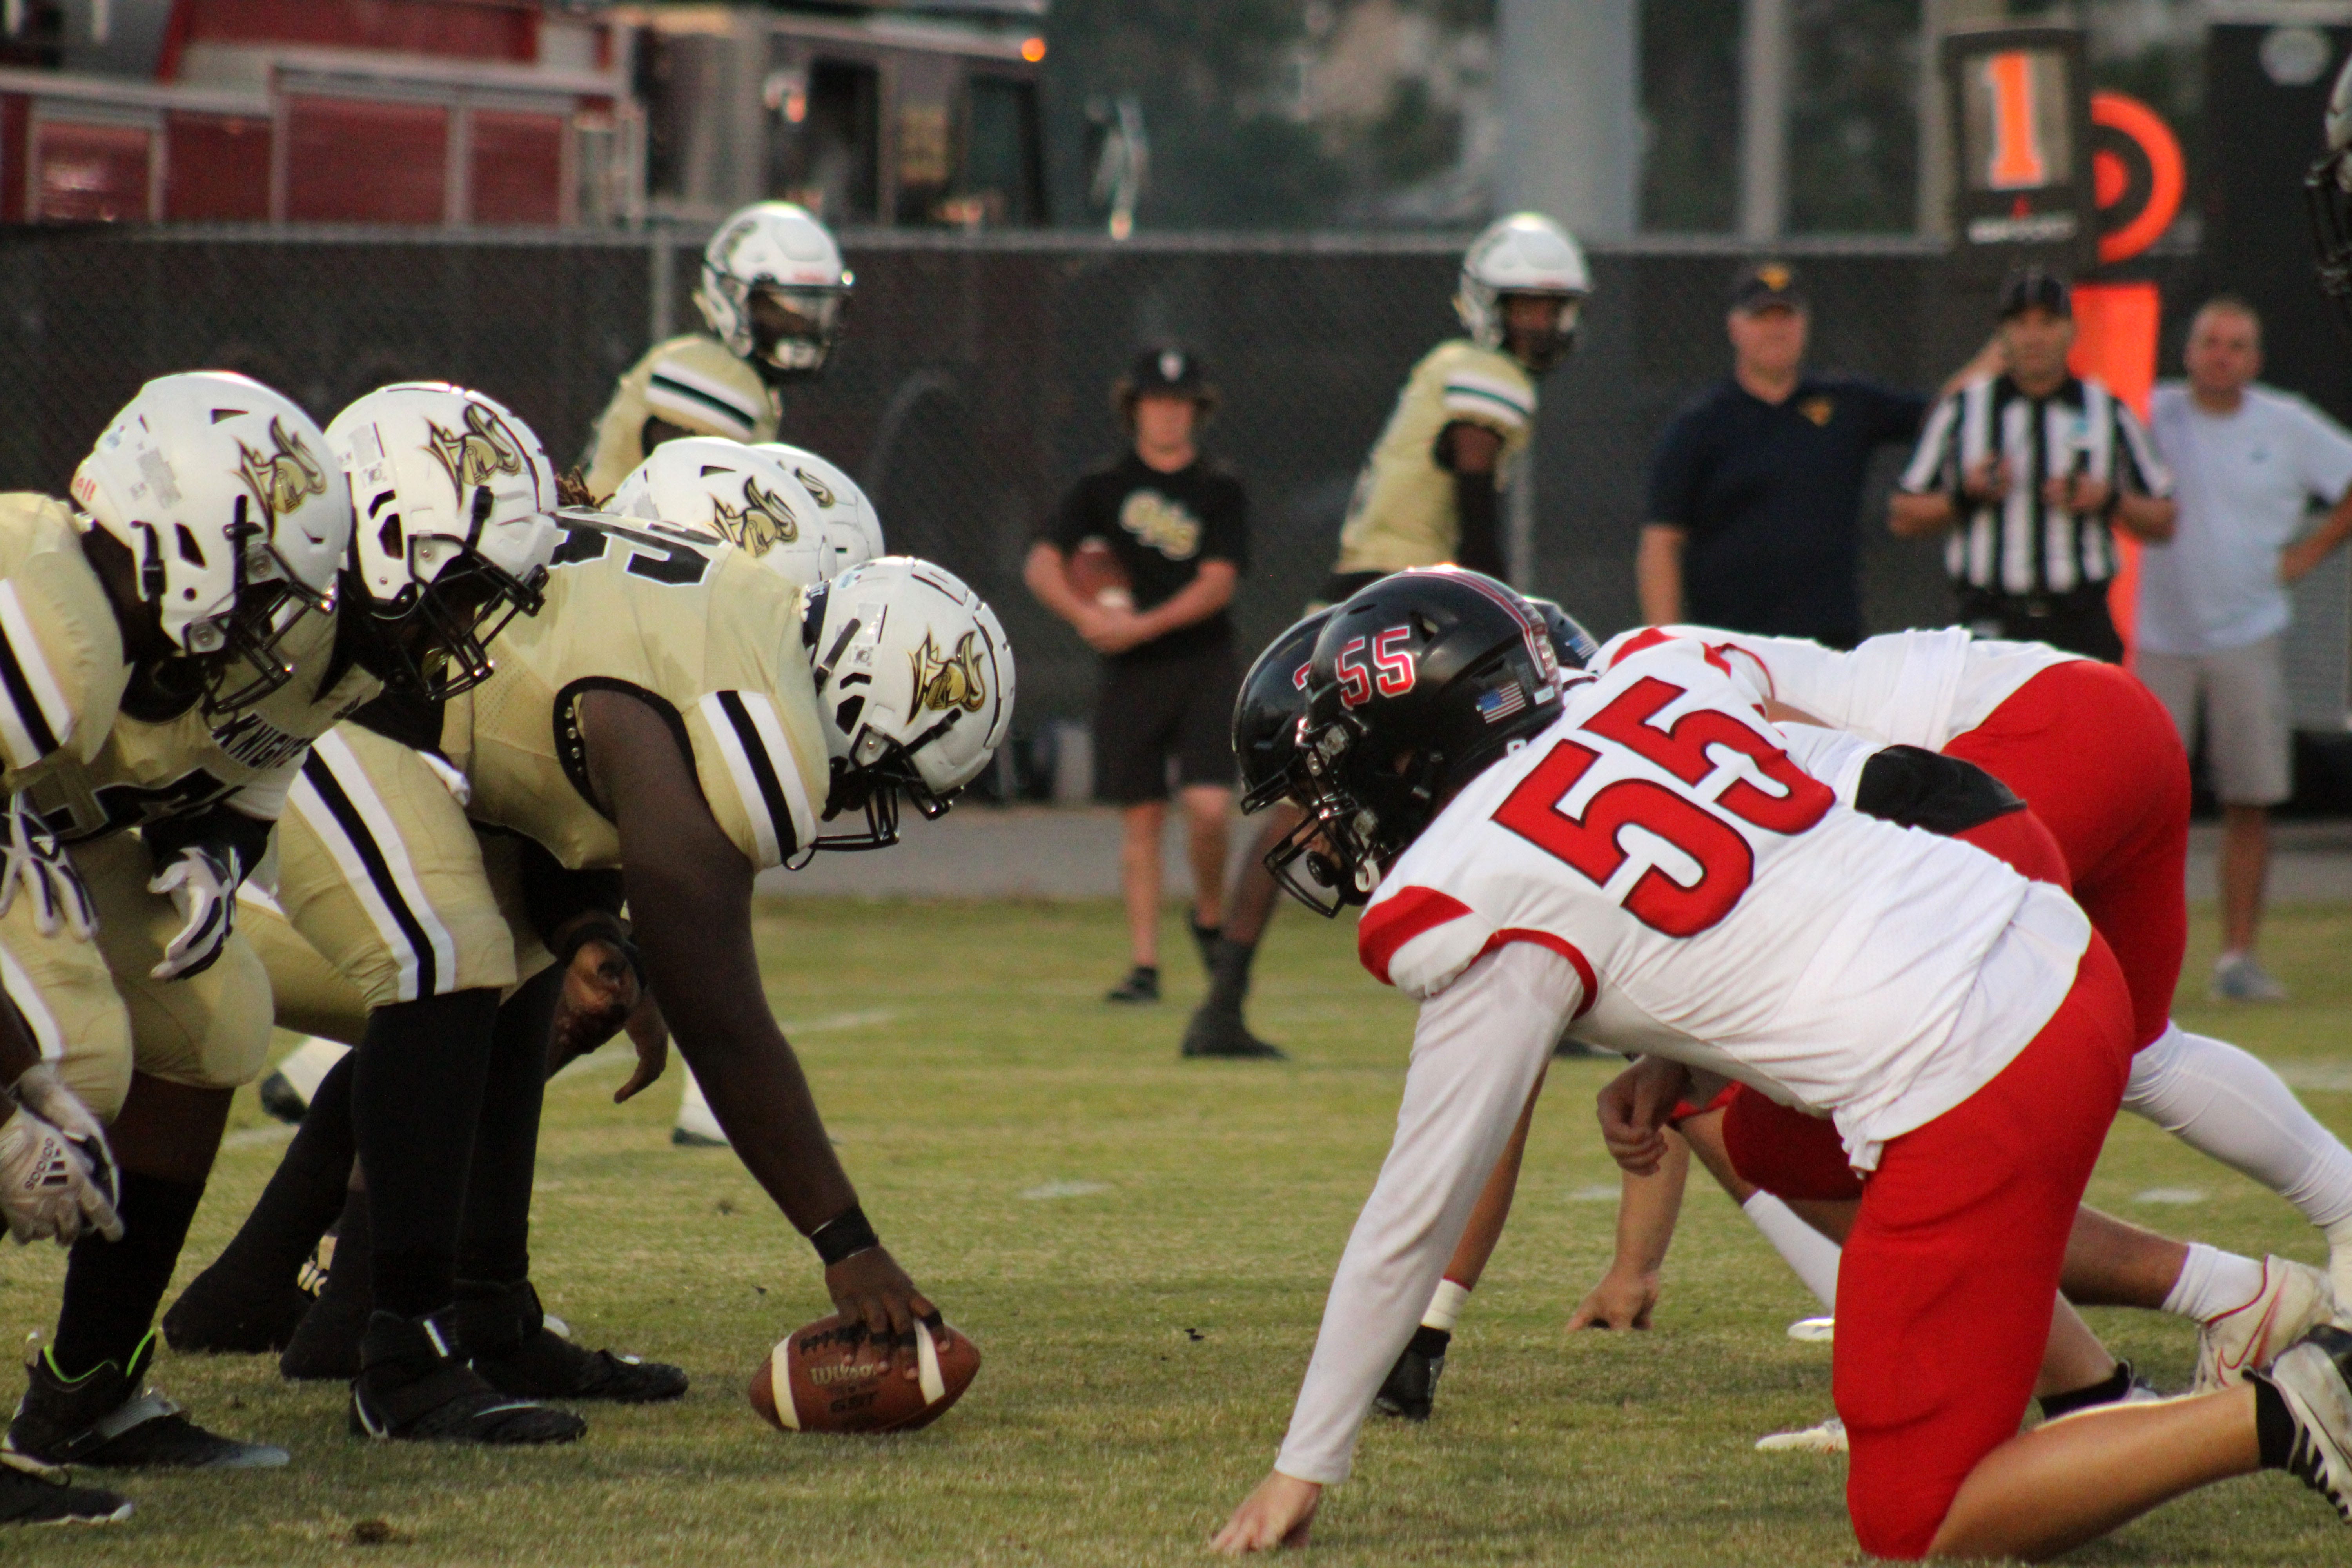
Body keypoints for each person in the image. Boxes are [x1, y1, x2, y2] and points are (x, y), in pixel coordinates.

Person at [1212, 568, 2352, 1560]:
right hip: (2035, 937)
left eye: (1336, 787)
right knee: (1770, 1140)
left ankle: (2291, 1404)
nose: (1332, 825)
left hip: (1966, 1060)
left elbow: (1412, 1207)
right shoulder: (1643, 686)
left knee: (1914, 1518)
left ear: (1414, 750)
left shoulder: (1465, 887)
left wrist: (1303, 1462)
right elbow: (1872, 790)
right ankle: (2101, 1389)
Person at [171, 511, 1011, 1437]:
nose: (864, 803)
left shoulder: (743, 611)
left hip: (408, 725)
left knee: (512, 955)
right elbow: (721, 1017)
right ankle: (402, 1353)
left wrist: (581, 923)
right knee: (451, 964)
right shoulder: (753, 718)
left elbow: (543, 738)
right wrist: (847, 1244)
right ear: (854, 703)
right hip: (342, 710)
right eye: (880, 779)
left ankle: (479, 1308)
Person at [0, 372, 356, 1503]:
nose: (276, 623)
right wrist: (12, 1081)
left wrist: (215, 856)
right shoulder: (48, 625)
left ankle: (89, 1393)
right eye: (262, 588)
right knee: (69, 1052)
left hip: (47, 848)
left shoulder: (160, 640)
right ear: (181, 540)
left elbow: (248, 776)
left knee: (216, 1020)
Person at [1186, 213, 1589, 1060]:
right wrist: (1501, 605)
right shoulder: (1483, 374)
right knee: (1504, 778)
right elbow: (1474, 488)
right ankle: (1533, 991)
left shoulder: (1450, 365)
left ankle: (1222, 1001)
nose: (1540, 325)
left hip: (1365, 597)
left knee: (1318, 799)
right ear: (1489, 306)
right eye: (1526, 307)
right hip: (1403, 608)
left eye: (1552, 309)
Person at [1024, 347, 1253, 1025]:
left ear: (1197, 411)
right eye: (1157, 401)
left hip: (1203, 663)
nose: (1169, 414)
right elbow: (1043, 564)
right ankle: (1145, 964)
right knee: (1143, 819)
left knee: (1210, 809)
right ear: (1135, 409)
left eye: (1181, 403)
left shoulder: (1219, 487)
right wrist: (1088, 616)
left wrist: (1144, 625)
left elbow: (1218, 582)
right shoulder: (1101, 487)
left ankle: (1209, 918)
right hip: (1130, 675)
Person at [2140, 297, 2352, 1002]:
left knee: (2250, 799)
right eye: (2209, 342)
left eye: (2236, 345)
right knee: (2139, 808)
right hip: (2157, 640)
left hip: (2248, 634)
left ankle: (2237, 959)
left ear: (2255, 359)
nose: (2221, 355)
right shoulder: (2151, 412)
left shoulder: (2285, 422)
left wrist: (2310, 551)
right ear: (2188, 350)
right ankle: (2138, 964)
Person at [1637, 262, 1938, 647]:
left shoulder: (1845, 405)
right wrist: (1665, 648)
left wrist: (2001, 352)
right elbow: (1662, 539)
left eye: (1787, 316)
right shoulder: (1701, 425)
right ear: (1735, 327)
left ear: (1805, 324)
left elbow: (1944, 413)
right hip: (1732, 646)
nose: (1776, 329)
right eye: (1762, 317)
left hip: (1830, 646)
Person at [1891, 268, 2176, 660]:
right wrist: (1965, 496)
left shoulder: (2107, 410)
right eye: (2021, 324)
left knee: (2085, 721)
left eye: (2047, 322)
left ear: (2072, 331)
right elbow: (1903, 515)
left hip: (2078, 618)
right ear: (2002, 335)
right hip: (1992, 615)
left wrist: (2108, 500)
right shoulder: (1963, 409)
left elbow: (2165, 519)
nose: (2034, 336)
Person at [579, 202, 849, 498]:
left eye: (817, 309)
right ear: (732, 296)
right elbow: (705, 508)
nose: (803, 327)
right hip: (613, 541)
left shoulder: (730, 373)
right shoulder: (713, 374)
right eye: (785, 308)